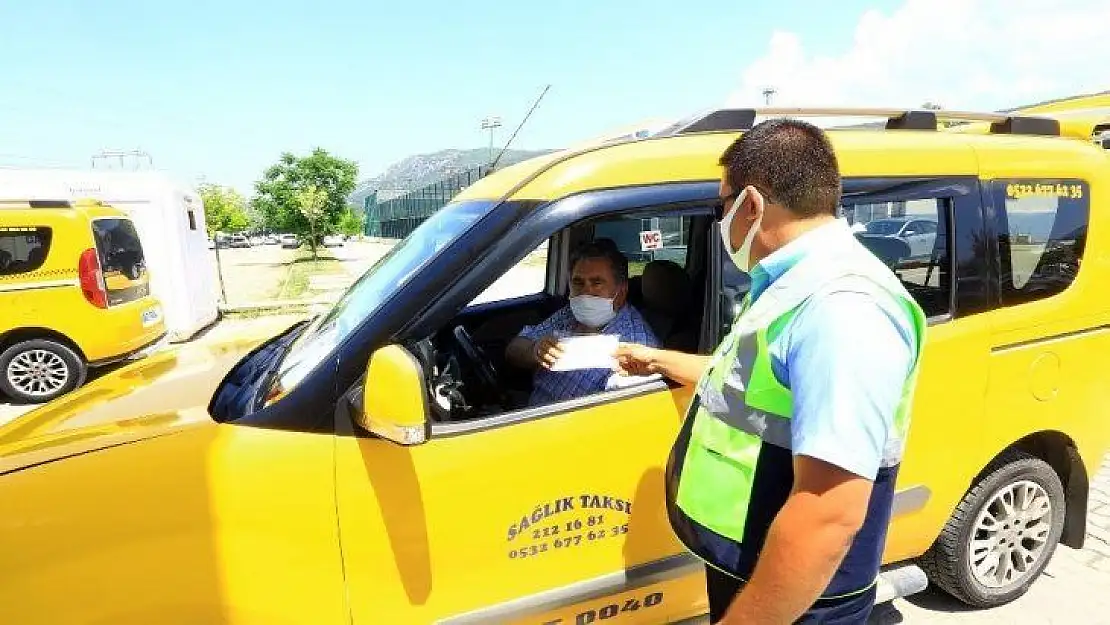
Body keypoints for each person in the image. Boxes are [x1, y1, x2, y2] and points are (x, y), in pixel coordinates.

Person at [615, 119, 927, 624]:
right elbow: (748, 382)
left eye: (723, 206)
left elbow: (828, 511)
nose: (722, 222)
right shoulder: (793, 284)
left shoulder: (842, 308)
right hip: (757, 567)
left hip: (801, 598)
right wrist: (656, 360)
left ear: (752, 205)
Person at [505, 238, 660, 406]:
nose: (585, 292)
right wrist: (534, 351)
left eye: (597, 283)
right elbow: (514, 348)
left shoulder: (637, 345)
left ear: (621, 292)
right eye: (578, 282)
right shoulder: (569, 314)